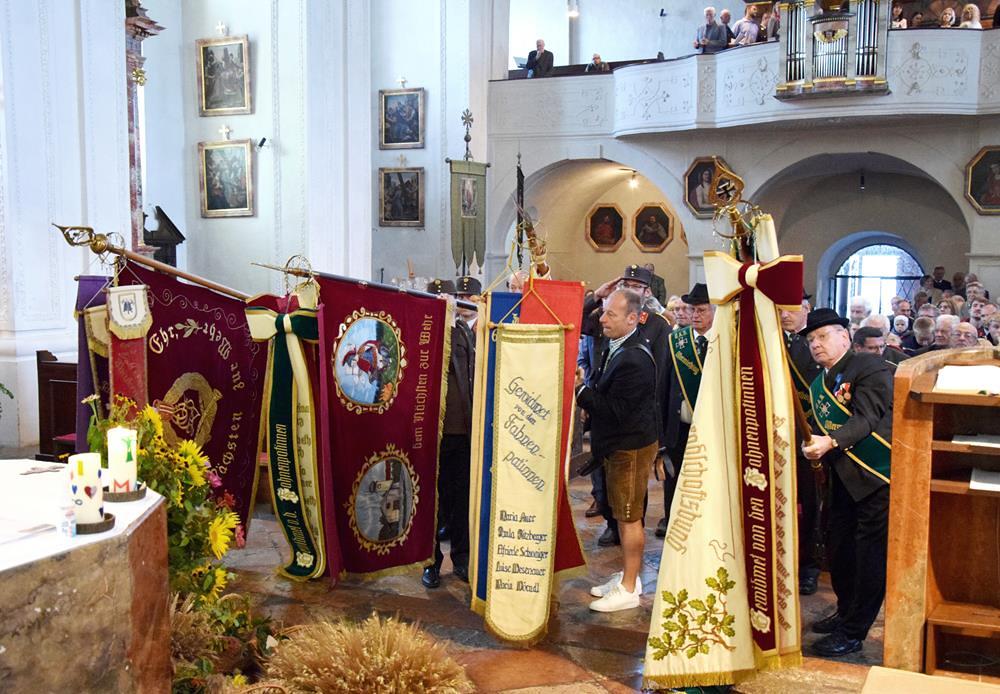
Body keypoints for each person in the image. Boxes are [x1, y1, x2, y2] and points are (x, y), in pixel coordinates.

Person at [800, 308, 893, 658]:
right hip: (841, 478)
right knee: (839, 551)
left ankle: (854, 632)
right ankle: (845, 612)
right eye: (811, 340)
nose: (816, 344)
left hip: (875, 477)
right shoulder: (819, 383)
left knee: (869, 557)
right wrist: (813, 443)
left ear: (844, 336)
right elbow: (819, 428)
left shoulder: (868, 367)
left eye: (823, 336)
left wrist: (831, 441)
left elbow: (867, 417)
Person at [576, 289, 658, 612]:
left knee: (629, 517)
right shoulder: (617, 345)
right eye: (604, 311)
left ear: (632, 318)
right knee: (621, 513)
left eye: (611, 314)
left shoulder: (635, 359)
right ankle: (628, 576)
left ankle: (629, 589)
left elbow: (616, 410)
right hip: (618, 444)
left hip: (630, 447)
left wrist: (580, 391)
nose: (603, 319)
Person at [583, 266, 671, 547]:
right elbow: (580, 323)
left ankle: (628, 536)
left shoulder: (657, 325)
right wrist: (596, 297)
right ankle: (612, 524)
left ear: (647, 292)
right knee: (607, 487)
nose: (630, 289)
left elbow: (658, 376)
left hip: (632, 421)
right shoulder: (608, 317)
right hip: (604, 418)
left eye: (637, 286)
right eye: (626, 284)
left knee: (630, 496)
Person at [422, 279, 475, 588]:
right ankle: (430, 562)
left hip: (462, 432)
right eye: (437, 296)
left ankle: (461, 557)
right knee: (432, 502)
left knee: (460, 500)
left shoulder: (464, 330)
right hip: (432, 433)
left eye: (449, 296)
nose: (445, 300)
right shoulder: (423, 330)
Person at [657, 283, 715, 539]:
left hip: (712, 432)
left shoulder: (725, 342)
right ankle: (673, 530)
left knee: (705, 484)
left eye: (701, 310)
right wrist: (661, 433)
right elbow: (663, 387)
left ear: (714, 311)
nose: (695, 315)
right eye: (691, 310)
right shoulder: (677, 341)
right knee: (674, 482)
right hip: (679, 429)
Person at [781, 293, 824, 595]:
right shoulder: (770, 342)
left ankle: (808, 566)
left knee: (809, 506)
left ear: (806, 309)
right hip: (775, 435)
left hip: (809, 437)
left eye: (791, 308)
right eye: (780, 309)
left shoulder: (815, 344)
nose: (785, 314)